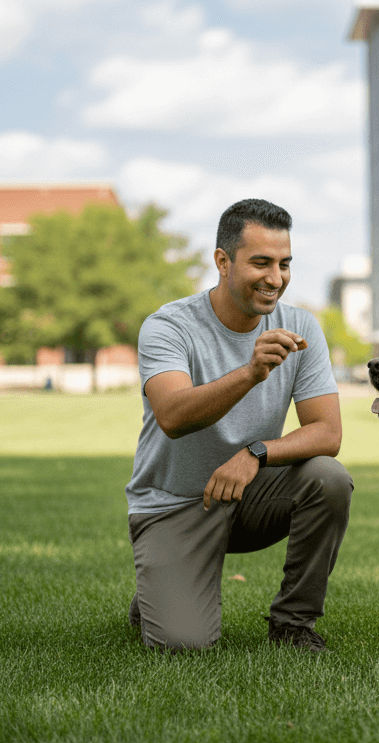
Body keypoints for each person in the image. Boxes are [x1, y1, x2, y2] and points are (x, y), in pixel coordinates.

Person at [125, 198, 351, 654]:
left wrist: (256, 454)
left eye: (285, 264)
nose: (276, 278)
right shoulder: (169, 326)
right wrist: (250, 373)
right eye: (261, 263)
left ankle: (292, 623)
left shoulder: (300, 326)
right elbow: (172, 417)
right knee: (183, 644)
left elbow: (328, 433)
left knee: (328, 479)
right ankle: (160, 586)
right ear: (223, 262)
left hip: (250, 495)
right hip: (175, 503)